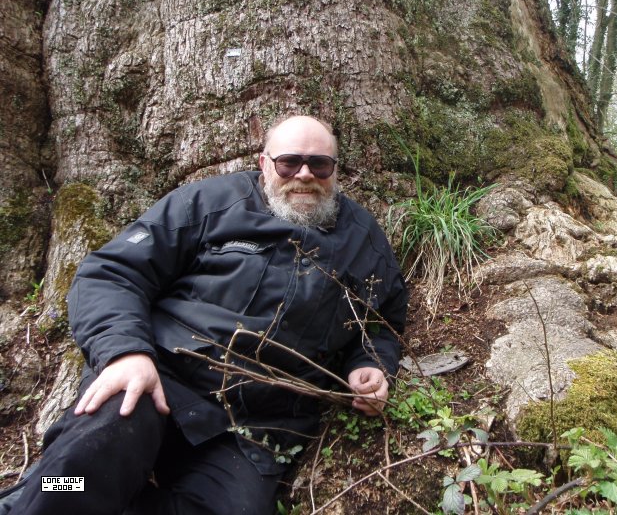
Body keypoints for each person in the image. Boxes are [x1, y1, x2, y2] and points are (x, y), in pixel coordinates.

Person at [6, 115, 408, 515]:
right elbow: (112, 272)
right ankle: (35, 493)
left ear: (335, 169)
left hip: (257, 425)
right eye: (289, 162)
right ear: (264, 163)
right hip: (159, 376)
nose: (304, 175)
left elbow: (384, 321)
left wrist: (369, 363)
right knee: (77, 473)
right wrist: (125, 353)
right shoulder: (208, 203)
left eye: (319, 164)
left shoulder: (364, 239)